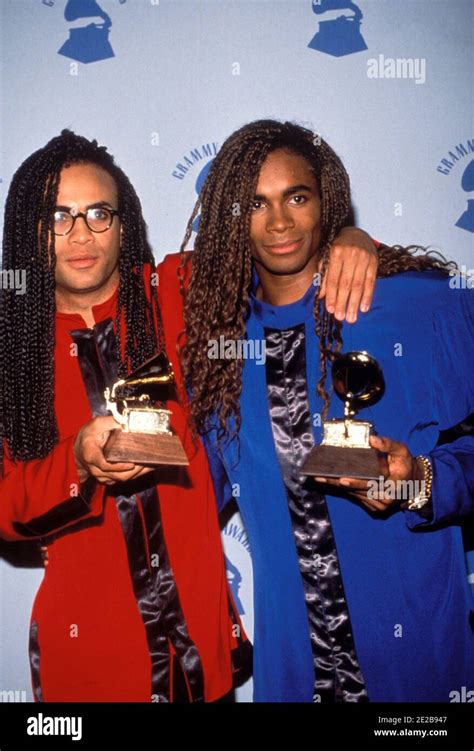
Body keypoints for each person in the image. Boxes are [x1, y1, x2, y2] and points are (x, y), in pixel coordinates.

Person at [0, 129, 375, 702]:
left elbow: (279, 245)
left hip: (204, 650)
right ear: (30, 230)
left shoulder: (179, 288)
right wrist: (78, 463)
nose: (81, 234)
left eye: (100, 213)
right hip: (91, 667)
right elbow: (7, 509)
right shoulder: (13, 357)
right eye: (58, 216)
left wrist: (348, 234)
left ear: (124, 225)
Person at [178, 119, 474, 702]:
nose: (280, 222)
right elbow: (186, 499)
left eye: (297, 197)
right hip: (294, 676)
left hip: (419, 675)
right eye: (255, 204)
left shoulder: (417, 307)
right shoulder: (217, 356)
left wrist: (421, 480)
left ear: (326, 202)